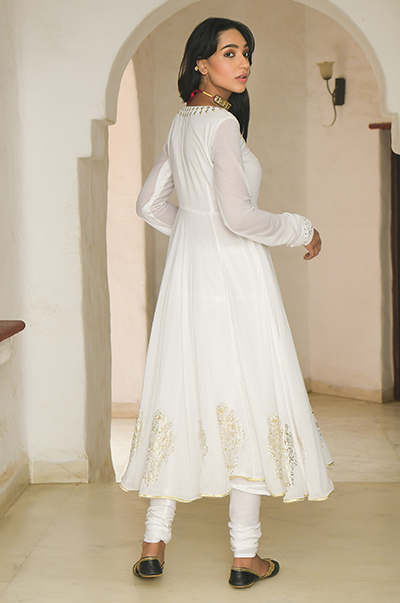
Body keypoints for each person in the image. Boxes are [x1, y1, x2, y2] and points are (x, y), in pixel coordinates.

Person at [120, 17, 334, 589]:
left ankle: (152, 547)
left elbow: (149, 204)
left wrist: (196, 239)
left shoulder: (183, 122)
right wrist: (300, 228)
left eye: (247, 54)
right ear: (201, 62)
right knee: (246, 394)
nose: (243, 64)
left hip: (191, 280)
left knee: (181, 391)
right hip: (236, 282)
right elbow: (239, 217)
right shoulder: (220, 125)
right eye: (231, 52)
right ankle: (245, 557)